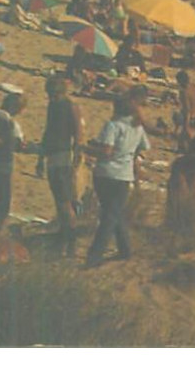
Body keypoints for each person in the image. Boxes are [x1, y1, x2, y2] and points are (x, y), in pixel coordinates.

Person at [86, 95, 150, 267]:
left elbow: (106, 151)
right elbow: (144, 147)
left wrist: (87, 149)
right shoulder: (137, 127)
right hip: (123, 175)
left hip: (105, 173)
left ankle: (95, 254)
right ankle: (124, 249)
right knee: (114, 212)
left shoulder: (113, 126)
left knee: (109, 214)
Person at [39, 76, 85, 256]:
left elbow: (78, 136)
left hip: (64, 158)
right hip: (53, 157)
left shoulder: (70, 107)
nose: (51, 98)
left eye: (53, 95)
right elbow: (48, 131)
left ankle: (70, 243)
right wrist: (40, 158)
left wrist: (76, 160)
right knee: (60, 202)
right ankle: (63, 239)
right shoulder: (54, 106)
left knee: (66, 203)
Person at [0, 92, 26, 236]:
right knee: (2, 207)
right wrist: (12, 141)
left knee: (1, 207)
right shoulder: (1, 119)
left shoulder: (0, 118)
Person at [164, 135, 195, 245]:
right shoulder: (186, 161)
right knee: (180, 215)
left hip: (185, 190)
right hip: (180, 189)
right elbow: (180, 178)